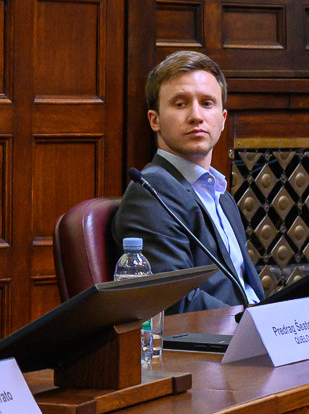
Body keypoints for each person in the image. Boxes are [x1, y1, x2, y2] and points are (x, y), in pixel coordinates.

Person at [110, 51, 265, 311]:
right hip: (210, 345)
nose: (196, 116)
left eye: (207, 103)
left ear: (223, 119)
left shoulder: (222, 196)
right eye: (180, 104)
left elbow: (242, 288)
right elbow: (175, 302)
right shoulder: (151, 192)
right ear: (154, 120)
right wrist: (254, 324)